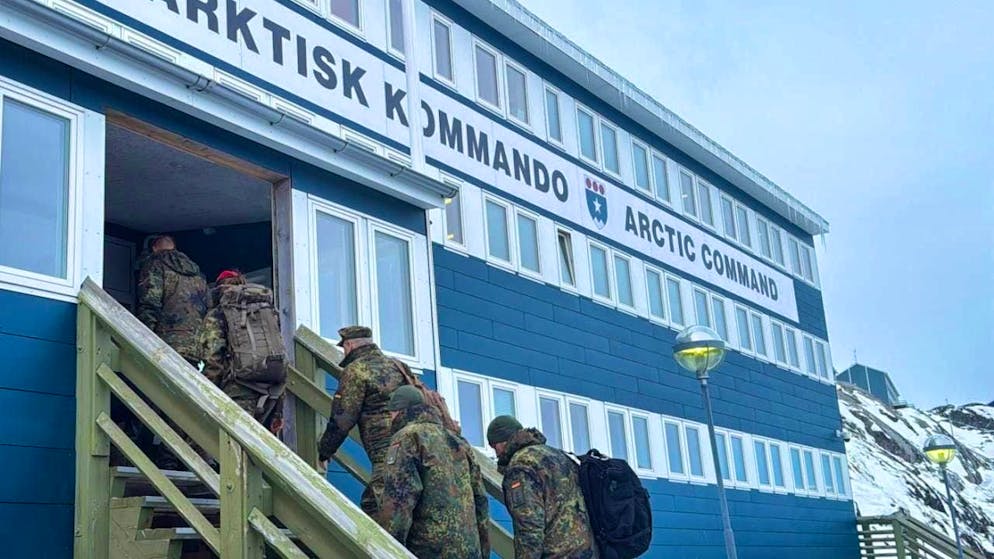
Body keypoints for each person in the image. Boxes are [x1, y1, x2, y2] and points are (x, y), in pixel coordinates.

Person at [378, 386, 490, 559]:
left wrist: (386, 551)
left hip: (429, 550)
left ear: (398, 412)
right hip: (469, 550)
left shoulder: (407, 437)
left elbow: (398, 501)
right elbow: (480, 500)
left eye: (390, 414)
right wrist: (483, 552)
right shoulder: (459, 441)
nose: (389, 419)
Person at [317, 326, 407, 516]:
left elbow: (342, 419)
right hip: (413, 445)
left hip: (386, 454)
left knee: (377, 508)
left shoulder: (356, 370)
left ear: (349, 345)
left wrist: (324, 451)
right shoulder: (397, 366)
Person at [487, 415, 598, 559]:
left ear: (500, 442)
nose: (496, 453)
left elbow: (529, 527)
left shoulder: (520, 467)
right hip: (588, 551)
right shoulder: (557, 455)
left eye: (493, 446)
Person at [199, 270, 285, 433]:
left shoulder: (218, 314)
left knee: (233, 445)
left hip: (238, 389)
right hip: (272, 391)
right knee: (263, 447)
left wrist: (207, 392)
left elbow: (213, 358)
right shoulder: (267, 311)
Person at [136, 235, 208, 366]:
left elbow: (150, 302)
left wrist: (145, 338)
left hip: (166, 342)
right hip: (195, 344)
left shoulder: (155, 264)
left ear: (154, 248)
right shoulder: (197, 273)